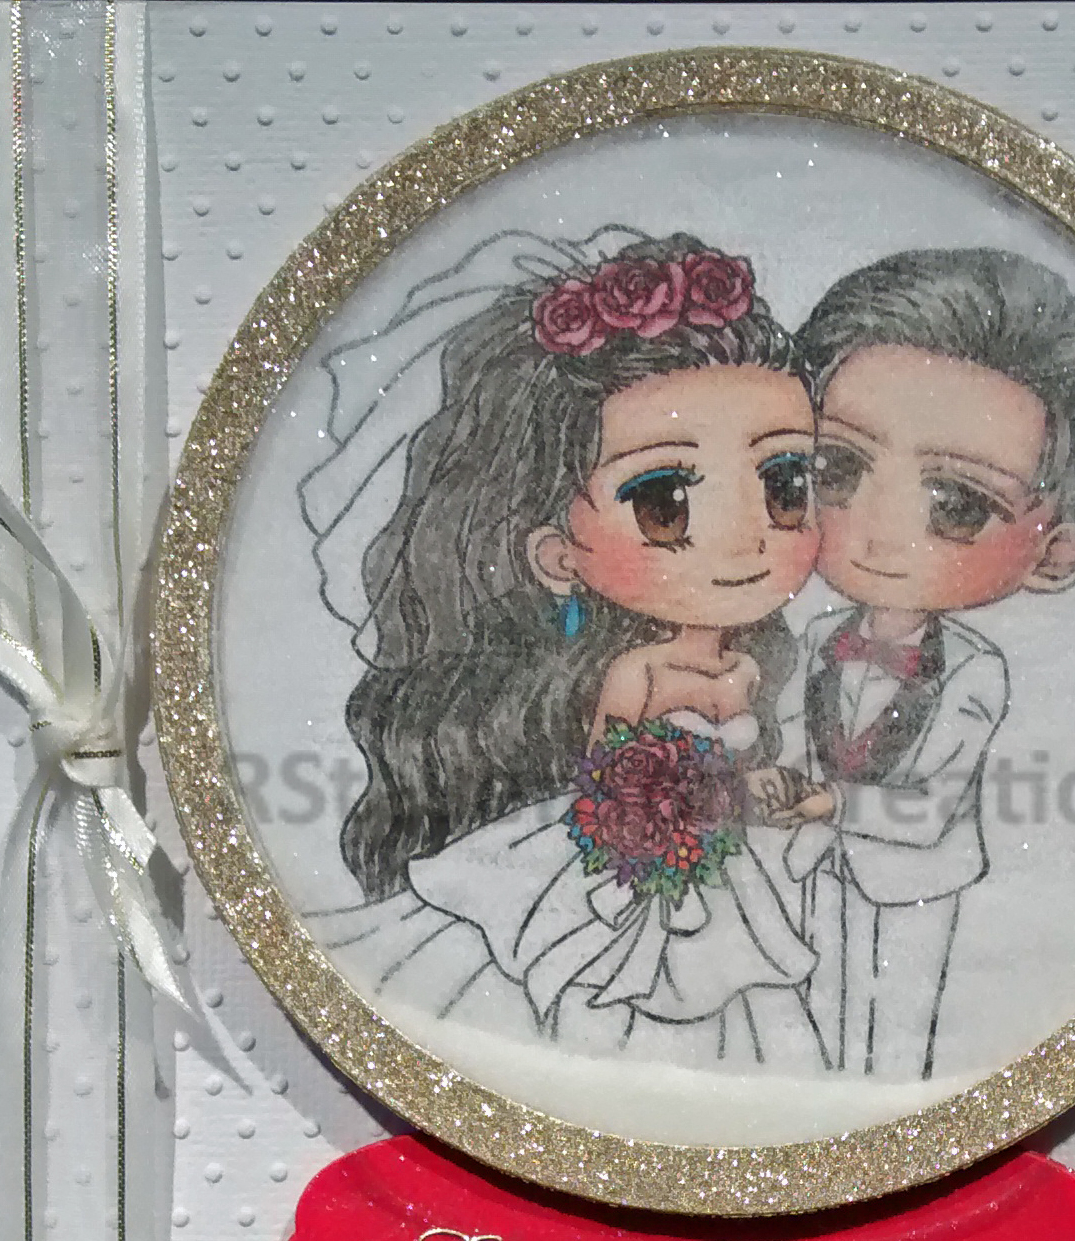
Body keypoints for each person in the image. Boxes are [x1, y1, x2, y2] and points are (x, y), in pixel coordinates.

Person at [301, 227, 831, 1074]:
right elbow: (609, 781)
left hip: (718, 872)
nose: (745, 538)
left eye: (784, 485)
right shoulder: (638, 673)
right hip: (620, 874)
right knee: (603, 1008)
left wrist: (768, 798)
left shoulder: (752, 670)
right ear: (557, 557)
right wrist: (678, 815)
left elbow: (747, 771)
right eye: (665, 505)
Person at [748, 248, 1075, 1080]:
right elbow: (787, 734)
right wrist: (773, 783)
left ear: (1054, 555)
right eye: (837, 468)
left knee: (896, 1040)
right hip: (808, 865)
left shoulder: (973, 672)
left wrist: (831, 803)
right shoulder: (818, 639)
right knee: (806, 1020)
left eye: (958, 506)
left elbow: (932, 804)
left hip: (914, 879)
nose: (879, 528)